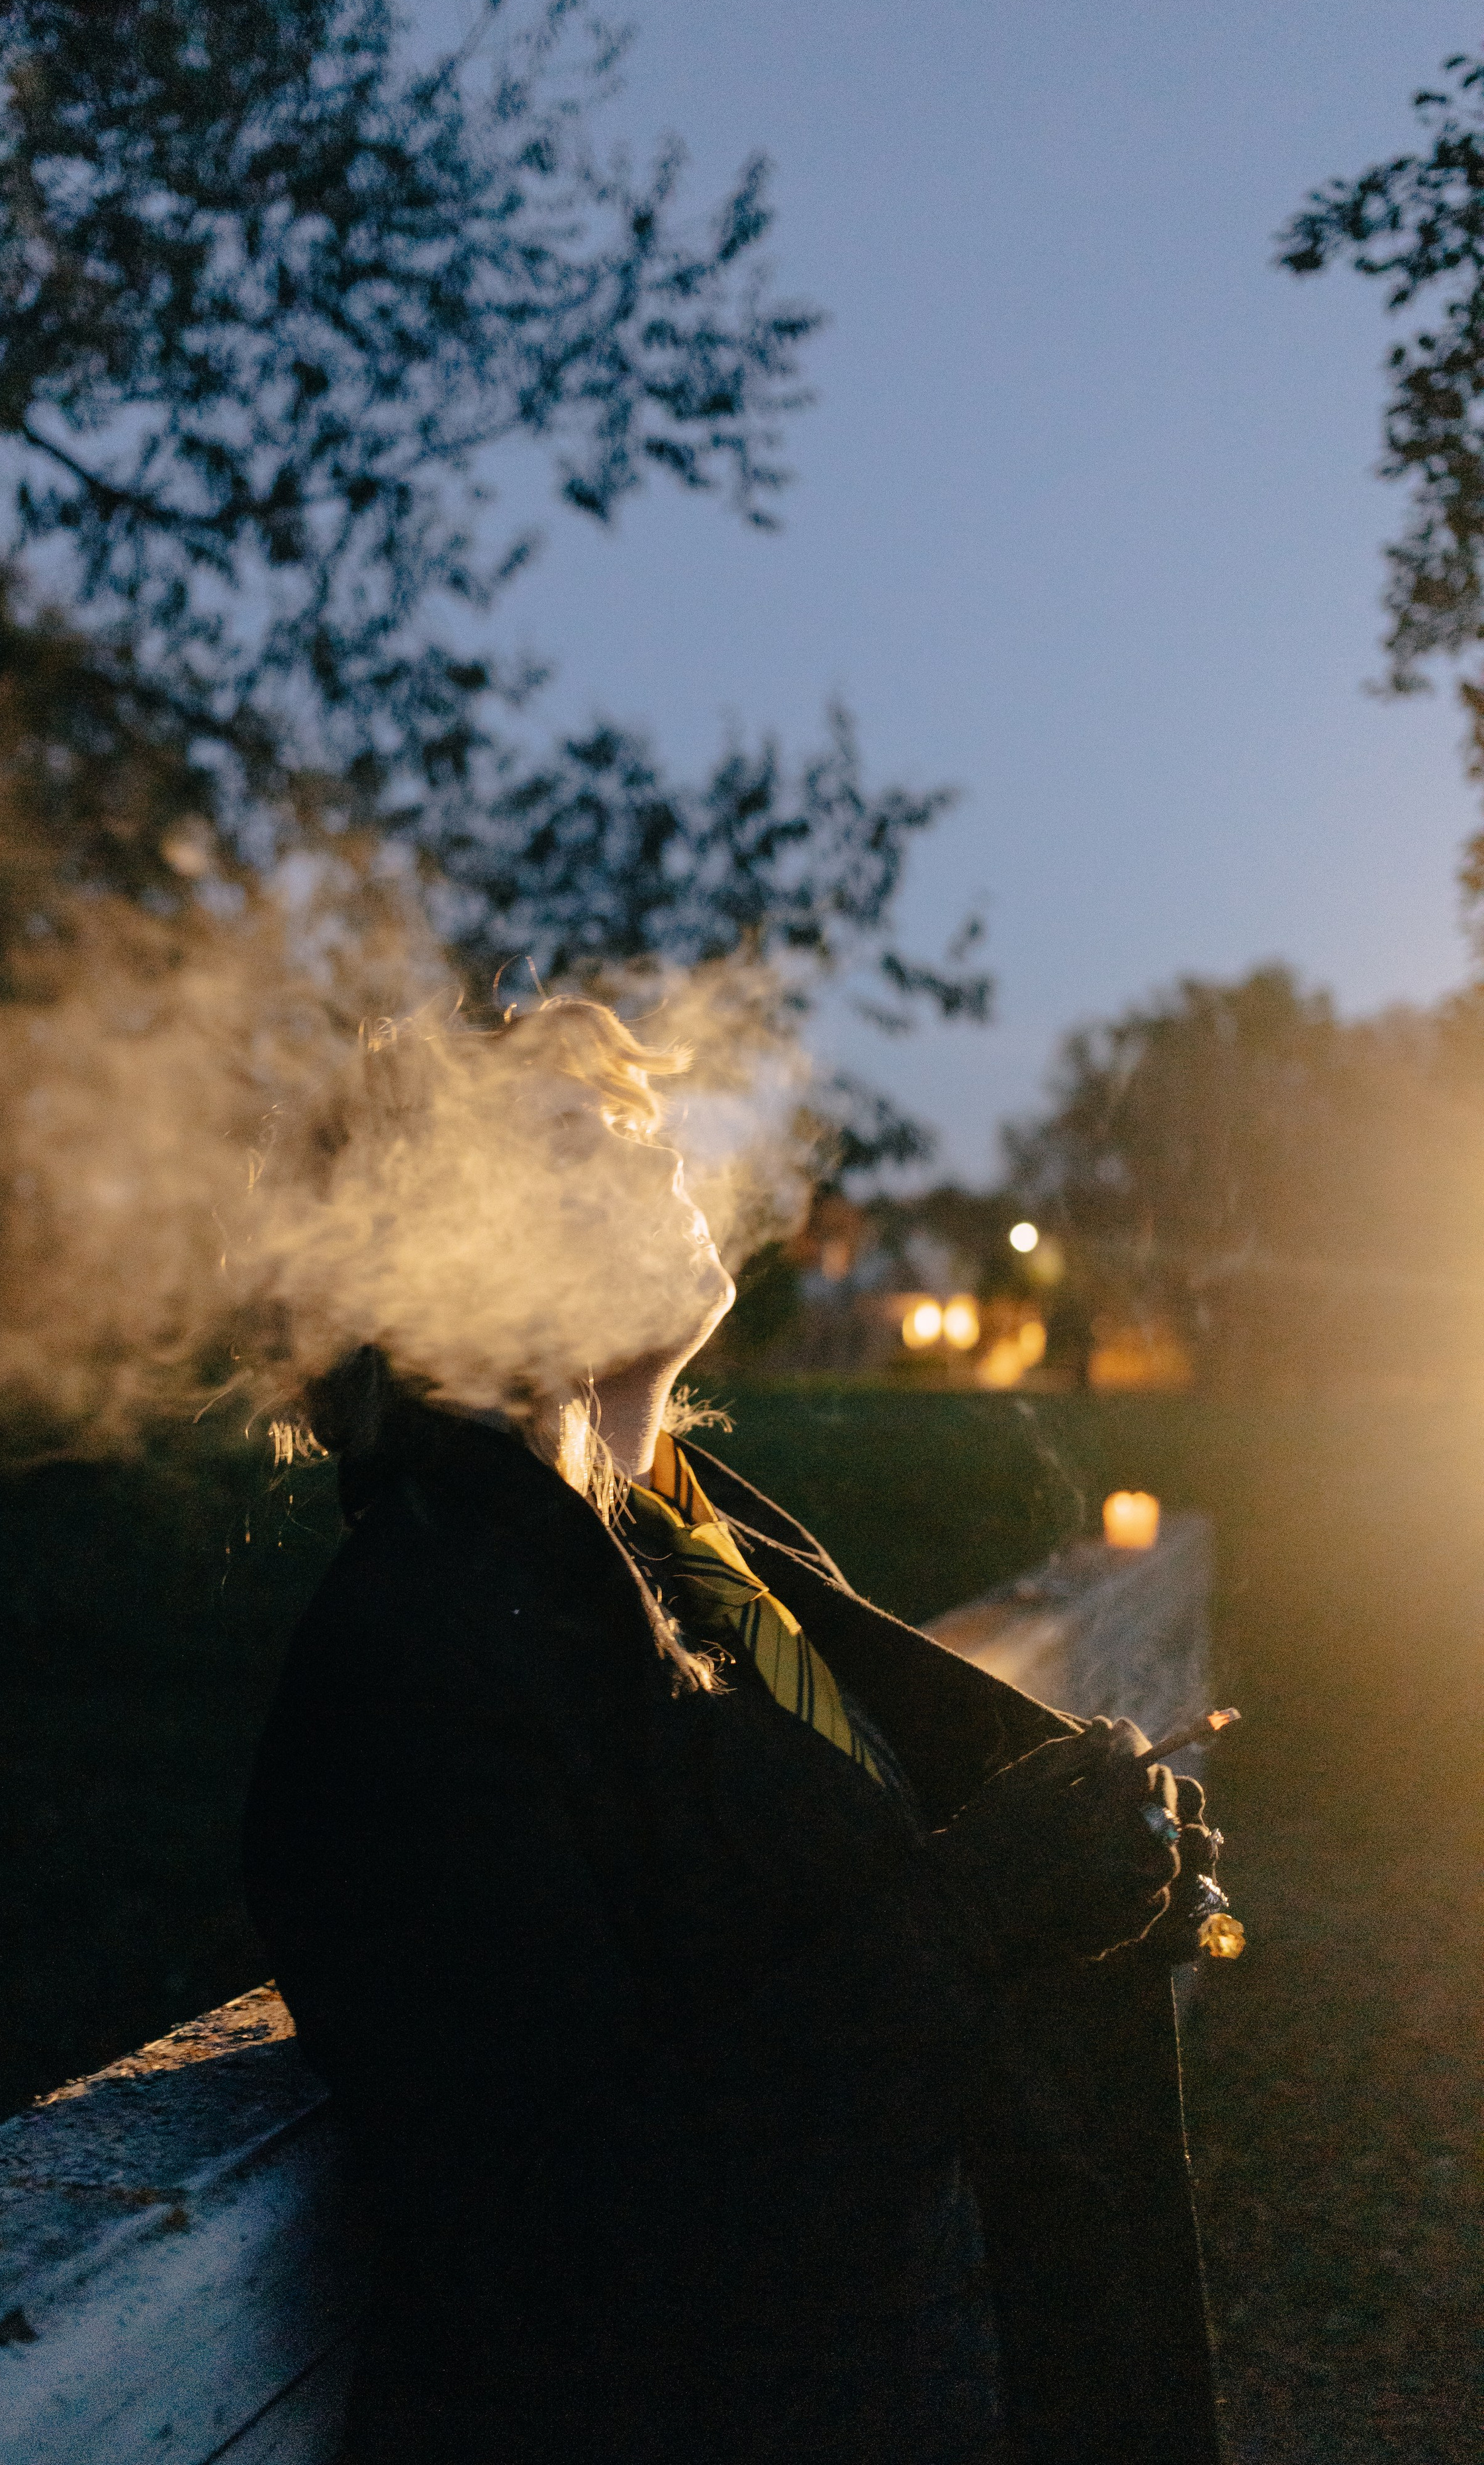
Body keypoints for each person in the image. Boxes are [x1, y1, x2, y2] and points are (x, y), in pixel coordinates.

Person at [242, 998, 1226, 2465]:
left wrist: (1079, 1880)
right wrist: (980, 1909)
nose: (658, 1158)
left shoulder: (709, 1544)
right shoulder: (417, 1651)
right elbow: (572, 2231)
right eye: (577, 1143)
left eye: (635, 1124)